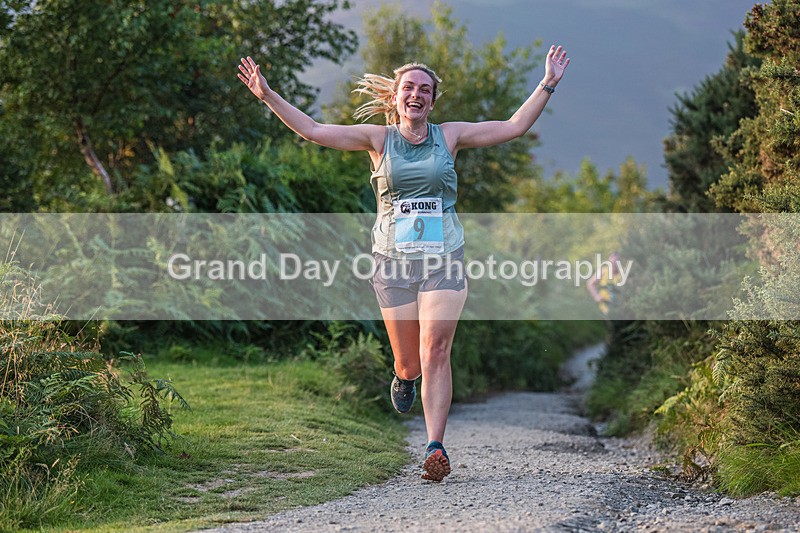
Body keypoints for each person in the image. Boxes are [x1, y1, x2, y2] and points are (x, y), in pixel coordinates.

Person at [237, 45, 570, 481]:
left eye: (425, 90)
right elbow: (314, 130)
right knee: (410, 361)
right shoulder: (378, 140)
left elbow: (513, 126)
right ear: (395, 97)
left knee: (436, 350)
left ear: (432, 100)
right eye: (409, 88)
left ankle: (435, 447)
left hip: (444, 258)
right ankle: (403, 375)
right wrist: (267, 95)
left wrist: (547, 83)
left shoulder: (449, 136)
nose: (416, 94)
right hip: (392, 262)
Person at [587, 252, 622, 316]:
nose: (614, 264)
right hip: (605, 305)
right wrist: (596, 295)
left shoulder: (622, 274)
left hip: (619, 307)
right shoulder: (603, 271)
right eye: (613, 262)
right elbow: (590, 283)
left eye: (616, 261)